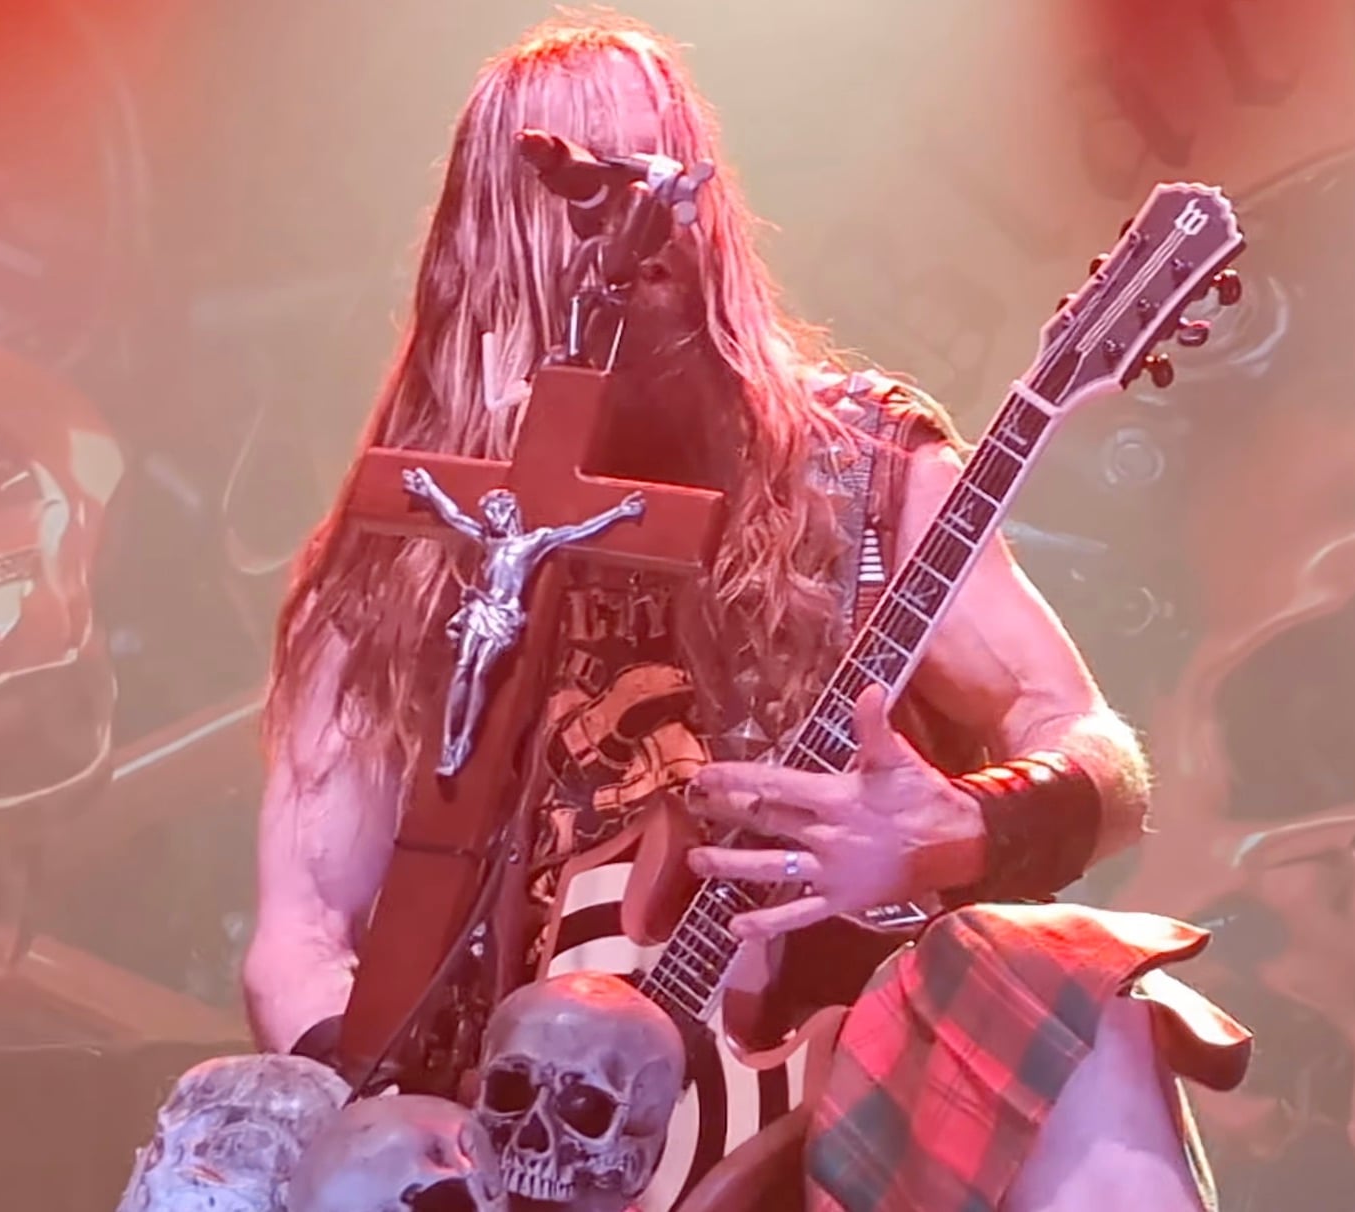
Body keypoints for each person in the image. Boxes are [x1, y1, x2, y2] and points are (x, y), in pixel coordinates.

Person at [244, 12, 1244, 1210]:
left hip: (826, 1089)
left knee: (1063, 987)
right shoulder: (412, 532)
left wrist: (957, 828)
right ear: (491, 241)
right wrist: (408, 1128)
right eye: (587, 186)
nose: (643, 218)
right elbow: (302, 928)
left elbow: (1090, 742)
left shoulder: (866, 463)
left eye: (665, 175)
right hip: (529, 1128)